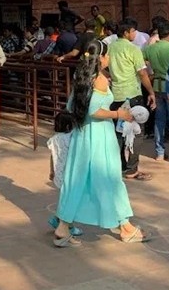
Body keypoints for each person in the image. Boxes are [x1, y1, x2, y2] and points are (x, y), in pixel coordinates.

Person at [51, 40, 150, 247]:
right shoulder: (100, 80)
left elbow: (71, 105)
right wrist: (119, 114)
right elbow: (94, 111)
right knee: (110, 179)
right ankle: (125, 226)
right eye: (108, 54)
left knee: (77, 180)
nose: (110, 58)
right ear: (102, 57)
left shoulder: (81, 77)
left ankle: (63, 225)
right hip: (99, 136)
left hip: (82, 135)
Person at [108, 19, 157, 180]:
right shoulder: (133, 49)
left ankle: (120, 165)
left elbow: (104, 67)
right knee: (137, 131)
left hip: (116, 95)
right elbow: (142, 73)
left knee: (118, 132)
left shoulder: (111, 47)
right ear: (126, 32)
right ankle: (132, 168)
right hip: (132, 94)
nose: (135, 34)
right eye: (133, 31)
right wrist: (151, 92)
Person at [143, 20, 169, 163]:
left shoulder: (150, 49)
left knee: (159, 121)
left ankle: (159, 152)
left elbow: (141, 61)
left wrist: (151, 72)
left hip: (156, 87)